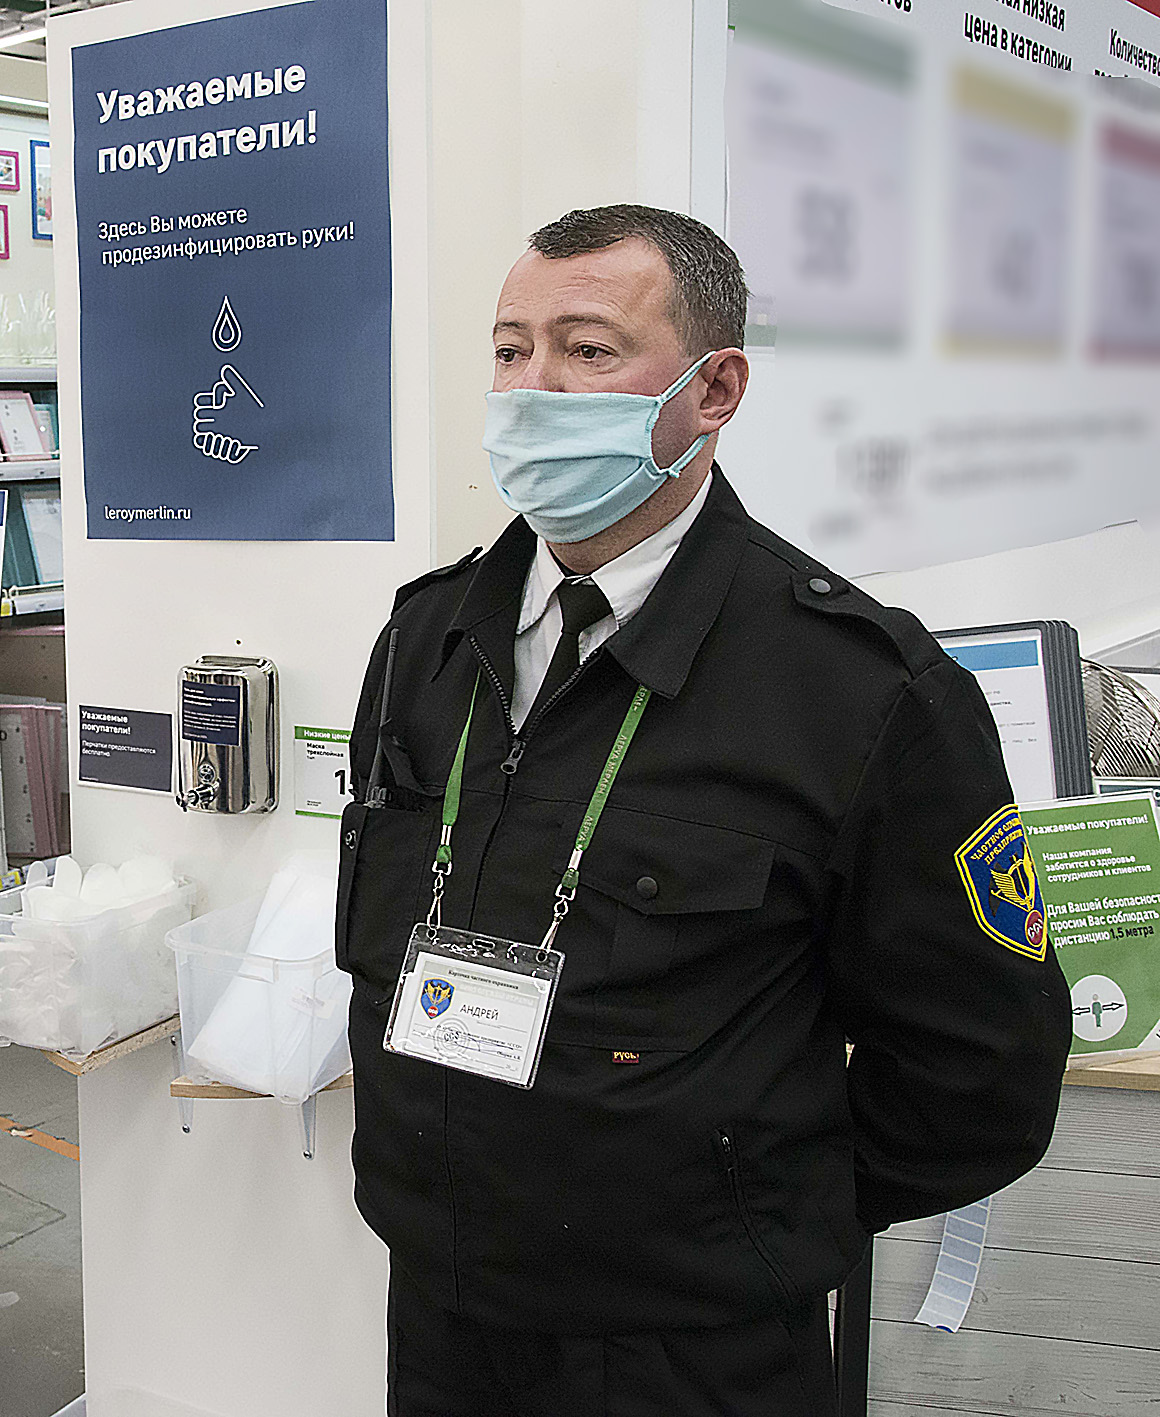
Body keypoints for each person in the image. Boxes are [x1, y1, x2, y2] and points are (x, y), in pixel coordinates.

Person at [338, 205, 1071, 1417]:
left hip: (695, 1346)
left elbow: (982, 1069)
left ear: (714, 389)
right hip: (443, 1311)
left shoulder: (860, 689)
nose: (532, 389)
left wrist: (757, 1210)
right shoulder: (427, 637)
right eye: (512, 350)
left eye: (588, 349)